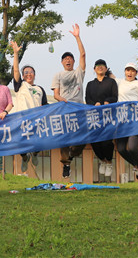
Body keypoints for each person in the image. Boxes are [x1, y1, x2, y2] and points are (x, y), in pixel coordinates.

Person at [51, 24, 87, 178]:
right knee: (65, 138)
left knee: (83, 137)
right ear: (62, 62)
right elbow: (56, 94)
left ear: (73, 62)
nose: (68, 60)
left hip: (79, 109)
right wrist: (64, 100)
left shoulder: (78, 73)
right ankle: (66, 164)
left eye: (70, 59)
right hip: (64, 109)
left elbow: (83, 54)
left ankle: (72, 155)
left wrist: (77, 37)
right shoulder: (58, 75)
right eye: (65, 59)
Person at [10, 41, 49, 173]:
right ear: (22, 75)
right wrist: (16, 53)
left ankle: (35, 154)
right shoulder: (20, 85)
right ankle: (25, 157)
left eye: (31, 72)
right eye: (25, 72)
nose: (28, 74)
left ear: (34, 74)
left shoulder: (40, 89)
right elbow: (15, 69)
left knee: (38, 143)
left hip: (37, 120)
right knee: (21, 142)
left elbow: (45, 106)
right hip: (22, 119)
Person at [114, 63, 138, 184]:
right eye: (128, 70)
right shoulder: (119, 82)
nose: (130, 73)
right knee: (121, 149)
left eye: (132, 71)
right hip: (121, 120)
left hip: (134, 120)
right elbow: (110, 77)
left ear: (136, 73)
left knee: (132, 147)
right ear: (124, 71)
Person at [85, 59, 118, 178]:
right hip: (94, 116)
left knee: (106, 142)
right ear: (94, 69)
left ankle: (109, 162)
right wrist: (95, 104)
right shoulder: (90, 84)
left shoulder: (111, 82)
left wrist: (107, 101)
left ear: (106, 68)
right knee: (94, 141)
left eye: (102, 66)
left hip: (108, 116)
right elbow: (87, 98)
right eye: (97, 66)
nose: (100, 67)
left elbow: (115, 97)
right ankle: (102, 160)